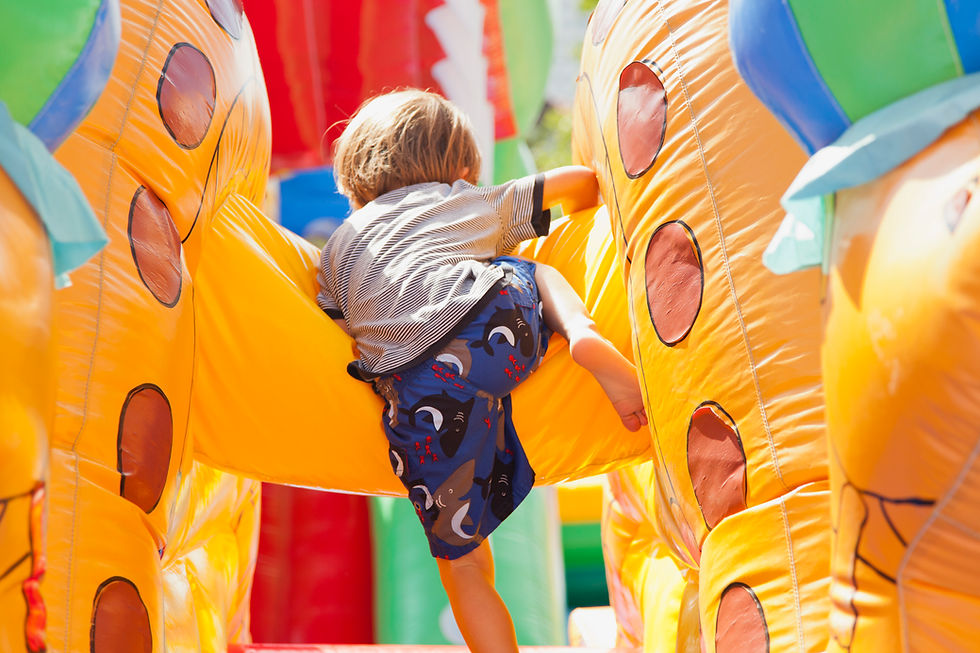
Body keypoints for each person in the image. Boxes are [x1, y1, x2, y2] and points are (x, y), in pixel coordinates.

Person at [317, 89, 646, 653]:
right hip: (497, 331)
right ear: (463, 166)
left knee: (463, 565)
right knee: (524, 269)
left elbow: (332, 312)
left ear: (355, 179)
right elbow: (575, 182)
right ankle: (582, 332)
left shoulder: (341, 246)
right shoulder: (465, 200)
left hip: (419, 392)